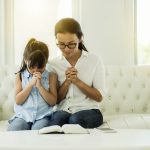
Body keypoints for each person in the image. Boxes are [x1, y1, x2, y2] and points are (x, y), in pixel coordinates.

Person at [48, 18, 105, 128]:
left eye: (71, 44)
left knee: (74, 120)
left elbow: (99, 97)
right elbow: (56, 100)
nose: (66, 49)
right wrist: (67, 82)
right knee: (56, 122)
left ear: (80, 39)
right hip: (63, 109)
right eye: (61, 44)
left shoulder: (94, 60)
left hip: (90, 110)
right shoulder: (53, 64)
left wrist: (77, 81)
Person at [8, 38, 57, 131]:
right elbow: (18, 101)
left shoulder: (51, 76)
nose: (36, 70)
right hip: (23, 116)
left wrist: (40, 86)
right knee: (14, 131)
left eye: (40, 67)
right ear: (26, 60)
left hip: (42, 116)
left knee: (39, 132)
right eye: (32, 66)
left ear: (46, 62)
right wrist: (30, 84)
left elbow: (53, 101)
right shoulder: (20, 76)